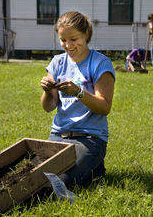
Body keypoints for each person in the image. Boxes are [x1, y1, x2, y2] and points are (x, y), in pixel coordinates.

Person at [40, 11, 115, 188]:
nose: (68, 45)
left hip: (89, 138)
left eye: (73, 39)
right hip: (58, 135)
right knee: (36, 176)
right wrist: (47, 91)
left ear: (86, 34)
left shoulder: (100, 63)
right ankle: (92, 170)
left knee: (59, 183)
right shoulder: (58, 62)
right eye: (63, 40)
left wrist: (78, 92)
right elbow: (49, 106)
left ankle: (92, 166)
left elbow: (104, 107)